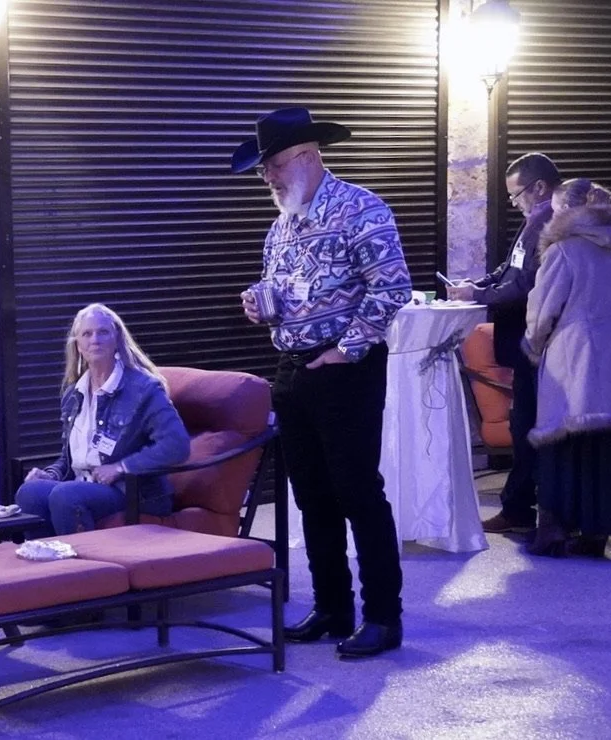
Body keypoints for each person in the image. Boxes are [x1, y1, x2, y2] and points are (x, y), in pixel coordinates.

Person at [233, 107, 411, 657]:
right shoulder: (281, 226)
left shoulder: (362, 208)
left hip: (346, 371)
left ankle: (382, 617)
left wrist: (344, 350)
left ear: (308, 156)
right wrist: (261, 306)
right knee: (312, 497)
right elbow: (284, 293)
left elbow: (392, 289)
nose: (268, 177)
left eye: (275, 165)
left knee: (358, 491)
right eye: (264, 169)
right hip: (292, 370)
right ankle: (333, 608)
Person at [521, 179, 611, 556]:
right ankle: (598, 532)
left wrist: (533, 345)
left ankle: (555, 532)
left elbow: (543, 310)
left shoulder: (564, 249)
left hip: (574, 355)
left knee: (565, 440)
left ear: (568, 211)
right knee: (609, 444)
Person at [448, 152, 562, 534]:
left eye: (516, 195)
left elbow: (526, 286)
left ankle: (518, 509)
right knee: (522, 423)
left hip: (538, 343)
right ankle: (519, 506)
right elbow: (510, 268)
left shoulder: (551, 222)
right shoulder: (535, 220)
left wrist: (478, 297)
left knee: (527, 425)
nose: (513, 203)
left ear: (539, 187)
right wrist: (477, 285)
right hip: (527, 342)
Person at [16, 303, 190, 535]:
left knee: (66, 495)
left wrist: (121, 467)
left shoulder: (143, 389)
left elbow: (177, 445)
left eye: (103, 332)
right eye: (87, 334)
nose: (95, 340)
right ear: (78, 345)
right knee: (30, 491)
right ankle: (48, 557)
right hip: (83, 485)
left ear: (116, 339)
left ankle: (84, 559)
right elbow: (71, 458)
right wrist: (51, 474)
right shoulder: (73, 394)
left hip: (133, 492)